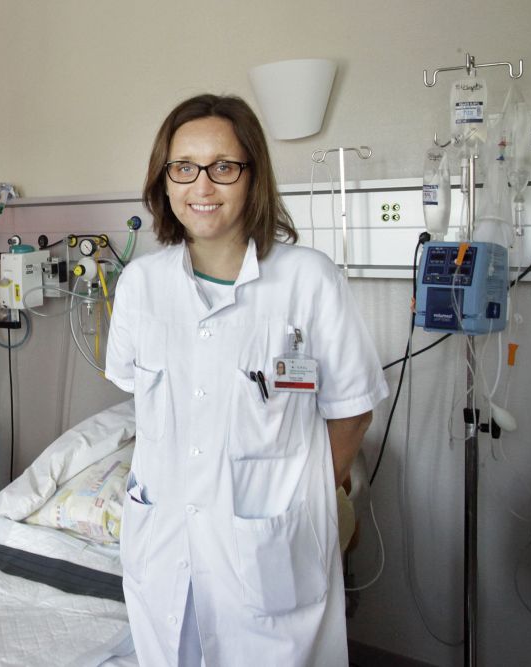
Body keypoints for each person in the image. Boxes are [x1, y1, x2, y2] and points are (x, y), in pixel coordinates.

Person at [105, 95, 388, 666]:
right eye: (183, 167)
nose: (201, 186)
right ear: (164, 180)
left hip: (267, 553)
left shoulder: (308, 279)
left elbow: (353, 409)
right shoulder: (140, 284)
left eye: (223, 167)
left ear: (252, 176)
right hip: (164, 546)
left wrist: (303, 491)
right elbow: (143, 404)